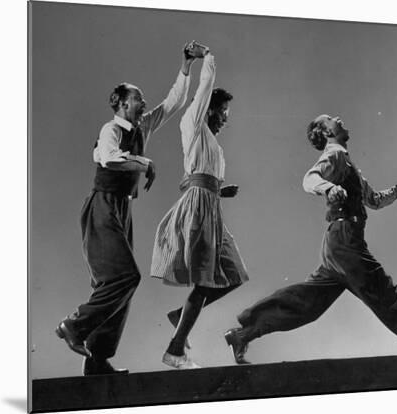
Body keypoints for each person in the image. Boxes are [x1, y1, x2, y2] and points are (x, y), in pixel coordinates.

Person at [224, 114, 397, 365]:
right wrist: (329, 188)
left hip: (338, 244)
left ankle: (243, 334)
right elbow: (309, 178)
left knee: (306, 304)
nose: (338, 118)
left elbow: (374, 200)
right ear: (326, 132)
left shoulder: (346, 161)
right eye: (331, 119)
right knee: (387, 296)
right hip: (345, 243)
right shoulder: (333, 155)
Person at [55, 43, 197, 376]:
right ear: (121, 103)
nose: (143, 102)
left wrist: (186, 68)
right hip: (101, 207)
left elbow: (173, 102)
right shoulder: (112, 130)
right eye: (137, 98)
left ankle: (97, 359)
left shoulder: (142, 127)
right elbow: (109, 158)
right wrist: (144, 162)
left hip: (121, 210)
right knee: (124, 277)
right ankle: (73, 326)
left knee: (119, 284)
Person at [150, 48, 249, 370]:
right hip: (197, 211)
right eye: (222, 113)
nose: (225, 119)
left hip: (210, 210)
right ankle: (175, 349)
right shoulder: (193, 124)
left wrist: (220, 190)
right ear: (208, 110)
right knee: (206, 282)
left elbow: (200, 176)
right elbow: (204, 87)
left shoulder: (214, 146)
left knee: (233, 275)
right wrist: (205, 57)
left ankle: (180, 318)